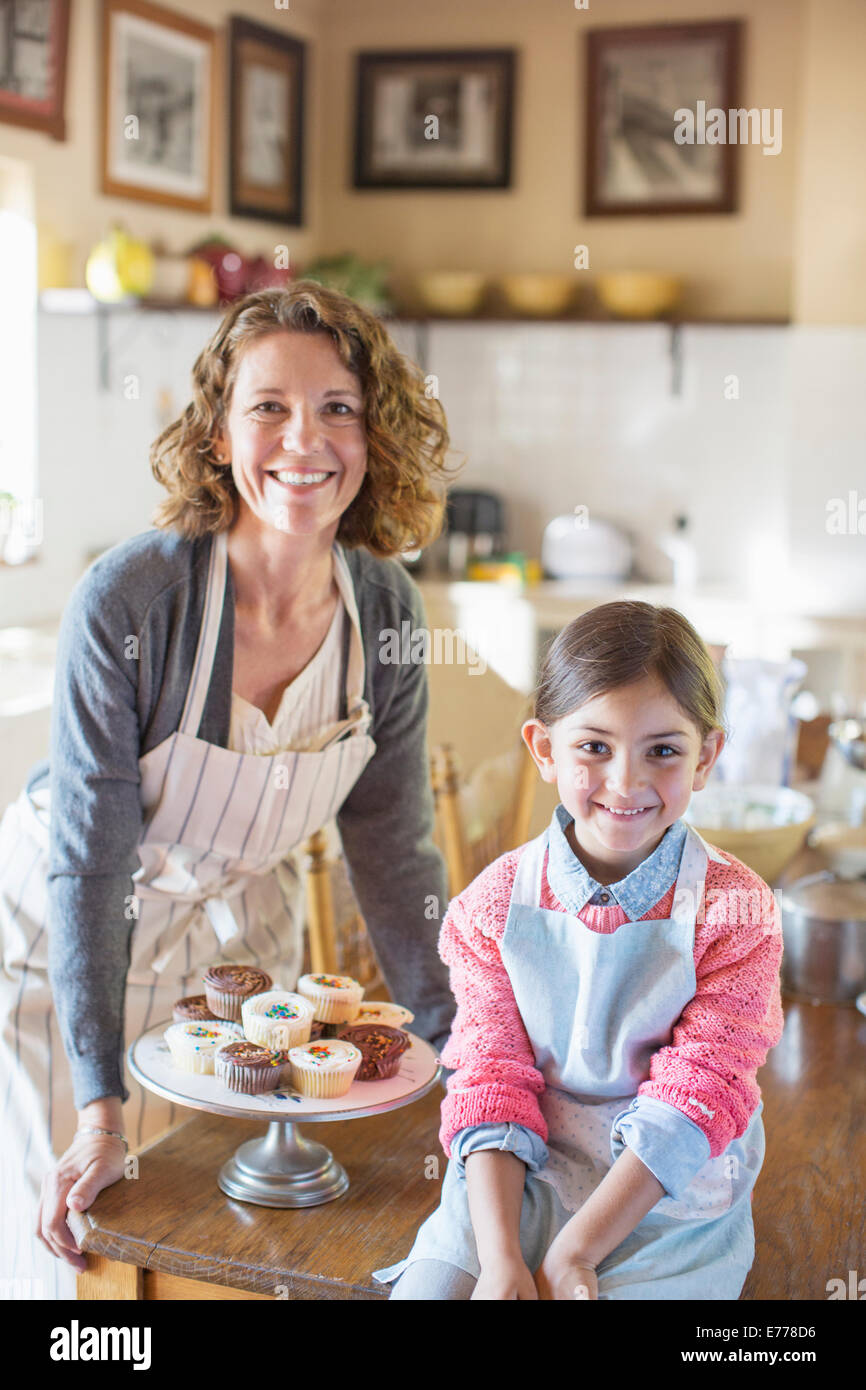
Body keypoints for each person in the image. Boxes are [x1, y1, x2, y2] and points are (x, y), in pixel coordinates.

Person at [0, 283, 456, 1299]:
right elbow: (93, 859)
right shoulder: (134, 601)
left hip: (236, 960)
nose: (306, 438)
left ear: (374, 433)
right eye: (268, 406)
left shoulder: (382, 609)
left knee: (237, 1237)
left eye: (338, 406)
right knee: (72, 1241)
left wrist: (460, 1047)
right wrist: (100, 1109)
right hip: (54, 953)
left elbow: (392, 845)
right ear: (217, 433)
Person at [374, 601, 784, 1300]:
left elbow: (698, 1096)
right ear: (543, 748)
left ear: (707, 756)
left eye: (663, 750)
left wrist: (574, 1253)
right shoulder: (491, 908)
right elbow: (490, 1081)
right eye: (594, 747)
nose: (625, 783)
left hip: (663, 1191)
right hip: (519, 1173)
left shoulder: (737, 910)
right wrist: (502, 1258)